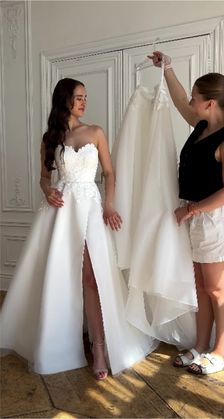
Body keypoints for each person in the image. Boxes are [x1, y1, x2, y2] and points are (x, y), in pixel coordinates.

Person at [0, 78, 155, 380]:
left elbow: (110, 173)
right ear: (65, 100)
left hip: (90, 208)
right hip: (60, 213)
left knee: (91, 277)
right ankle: (60, 341)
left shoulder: (96, 132)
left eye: (86, 97)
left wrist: (109, 206)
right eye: (79, 97)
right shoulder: (50, 138)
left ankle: (99, 346)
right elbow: (44, 178)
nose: (84, 102)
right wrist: (46, 191)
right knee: (61, 276)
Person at [148, 51, 224, 374]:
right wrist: (168, 68)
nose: (192, 102)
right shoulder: (201, 125)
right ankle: (200, 346)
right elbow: (180, 102)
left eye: (196, 98)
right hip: (196, 216)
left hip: (215, 219)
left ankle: (221, 352)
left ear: (210, 103)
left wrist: (192, 210)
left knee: (218, 289)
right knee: (201, 288)